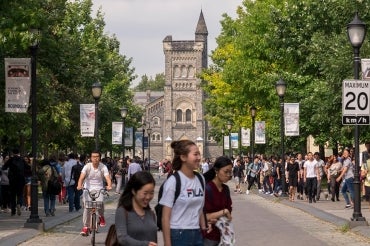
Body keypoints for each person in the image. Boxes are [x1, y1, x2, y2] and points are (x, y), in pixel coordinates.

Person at [159, 140, 208, 246]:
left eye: (199, 154)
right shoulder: (173, 182)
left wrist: (204, 228)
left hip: (197, 233)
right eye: (195, 154)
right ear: (183, 157)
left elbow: (199, 209)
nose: (199, 157)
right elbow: (165, 217)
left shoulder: (200, 179)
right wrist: (167, 243)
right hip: (179, 234)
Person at [115, 171, 157, 245]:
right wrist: (144, 244)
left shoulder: (151, 214)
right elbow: (122, 238)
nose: (148, 197)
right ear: (134, 191)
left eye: (151, 193)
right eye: (145, 193)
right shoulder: (122, 211)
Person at [77, 150, 112, 236]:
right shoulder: (87, 166)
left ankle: (101, 216)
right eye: (93, 157)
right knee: (87, 207)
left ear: (100, 158)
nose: (95, 158)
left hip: (99, 188)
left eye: (97, 157)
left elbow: (107, 178)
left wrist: (109, 185)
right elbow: (81, 177)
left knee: (100, 203)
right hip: (87, 188)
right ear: (91, 158)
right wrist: (79, 185)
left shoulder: (103, 167)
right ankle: (85, 227)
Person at [203, 156, 233, 246]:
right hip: (208, 236)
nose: (229, 175)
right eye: (226, 171)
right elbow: (205, 216)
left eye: (230, 172)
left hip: (223, 236)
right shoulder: (208, 189)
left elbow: (229, 215)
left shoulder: (226, 189)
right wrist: (224, 212)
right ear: (216, 171)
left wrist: (222, 215)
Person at [2, 149, 30, 216]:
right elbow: (28, 167)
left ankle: (13, 211)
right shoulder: (22, 160)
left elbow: (4, 167)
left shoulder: (11, 160)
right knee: (20, 194)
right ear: (19, 153)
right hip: (20, 180)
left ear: (13, 153)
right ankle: (19, 204)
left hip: (12, 180)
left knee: (12, 195)